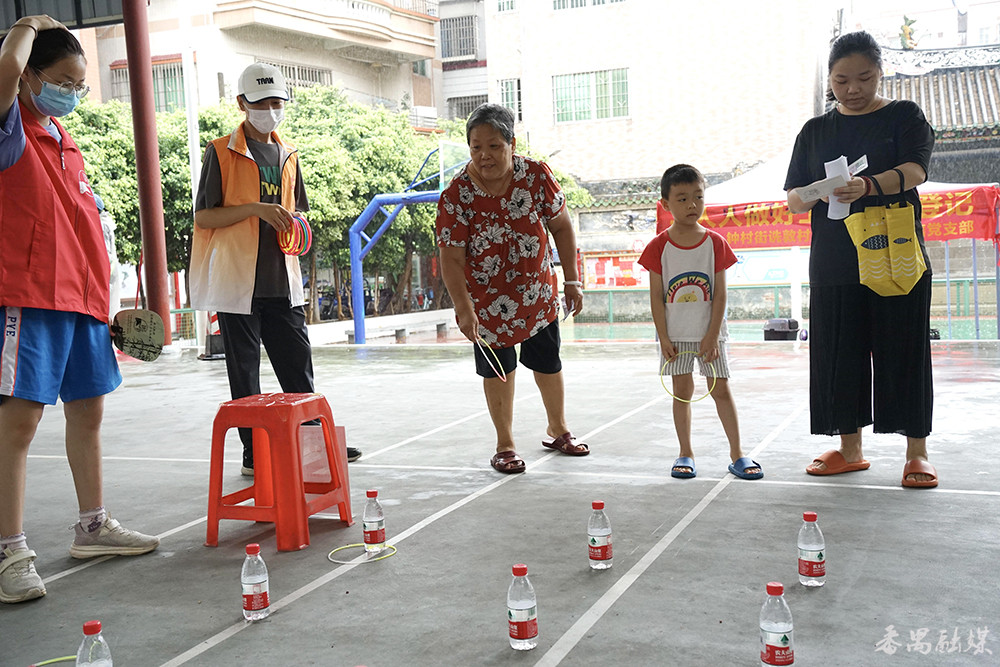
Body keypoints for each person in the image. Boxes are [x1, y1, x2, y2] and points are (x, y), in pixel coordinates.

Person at [0, 15, 159, 604]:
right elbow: (6, 69)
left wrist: (108, 305)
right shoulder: (9, 130)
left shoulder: (67, 144)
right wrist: (22, 26)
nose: (72, 93)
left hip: (84, 305)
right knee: (18, 424)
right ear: (28, 77)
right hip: (30, 297)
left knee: (87, 414)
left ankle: (92, 526)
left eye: (80, 84)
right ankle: (9, 550)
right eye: (62, 80)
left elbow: (82, 230)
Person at [191, 63, 361, 473]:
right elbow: (204, 217)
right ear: (242, 104)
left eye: (277, 102)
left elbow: (297, 210)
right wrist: (256, 210)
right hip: (237, 282)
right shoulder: (219, 151)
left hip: (283, 281)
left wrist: (297, 225)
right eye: (262, 103)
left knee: (297, 367)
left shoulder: (289, 154)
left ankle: (316, 443)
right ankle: (254, 455)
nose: (271, 110)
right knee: (244, 376)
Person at [784, 30, 937, 488]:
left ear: (879, 73)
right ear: (829, 80)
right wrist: (815, 192)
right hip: (833, 260)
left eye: (864, 78)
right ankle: (849, 449)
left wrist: (868, 185)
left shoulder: (904, 116)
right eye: (841, 80)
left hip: (895, 255)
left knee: (904, 349)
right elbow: (793, 198)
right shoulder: (815, 131)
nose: (852, 89)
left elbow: (916, 170)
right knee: (838, 354)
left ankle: (917, 452)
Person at [437, 103, 588, 473]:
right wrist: (463, 308)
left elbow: (563, 228)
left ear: (511, 144)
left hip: (537, 293)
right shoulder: (457, 194)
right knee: (498, 371)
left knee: (548, 363)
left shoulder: (535, 175)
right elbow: (451, 258)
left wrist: (571, 280)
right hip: (488, 304)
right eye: (476, 147)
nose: (484, 155)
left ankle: (558, 429)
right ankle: (505, 444)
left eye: (493, 146)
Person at [638, 164, 761, 480]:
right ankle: (685, 453)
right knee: (682, 391)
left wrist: (712, 336)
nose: (692, 204)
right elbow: (656, 297)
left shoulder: (715, 243)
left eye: (698, 197)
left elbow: (720, 295)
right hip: (675, 336)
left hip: (711, 335)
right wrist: (663, 337)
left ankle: (737, 454)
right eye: (681, 198)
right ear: (665, 204)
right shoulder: (658, 247)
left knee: (720, 390)